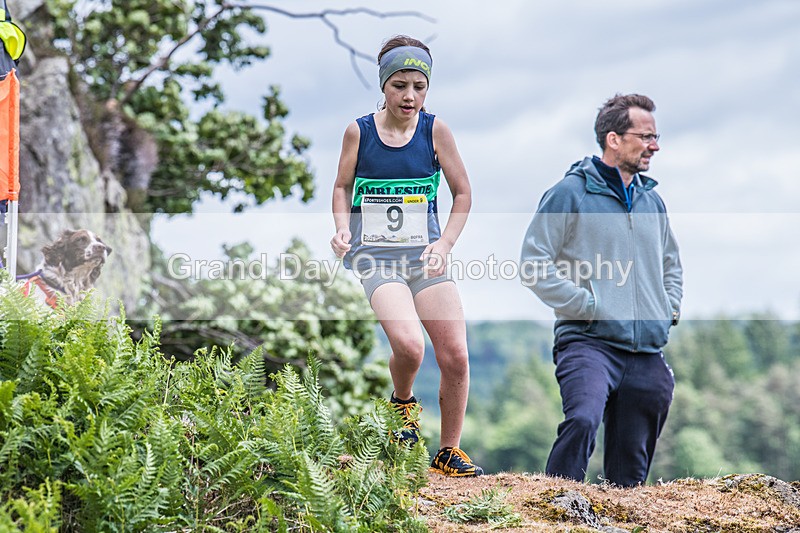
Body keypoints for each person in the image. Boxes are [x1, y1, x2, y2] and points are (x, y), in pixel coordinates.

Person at [330, 35, 483, 477]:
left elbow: (464, 192)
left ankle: (448, 451)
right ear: (384, 85)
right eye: (400, 85)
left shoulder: (436, 131)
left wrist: (445, 244)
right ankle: (403, 404)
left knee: (455, 354)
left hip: (425, 258)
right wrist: (342, 228)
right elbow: (341, 186)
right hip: (375, 259)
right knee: (410, 347)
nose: (410, 95)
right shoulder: (358, 132)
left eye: (419, 85)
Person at [520, 94, 683, 487]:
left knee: (629, 475)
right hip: (588, 341)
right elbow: (533, 263)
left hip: (645, 350)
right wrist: (586, 305)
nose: (654, 146)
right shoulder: (570, 193)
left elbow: (671, 264)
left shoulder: (652, 201)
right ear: (614, 139)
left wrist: (668, 309)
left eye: (655, 137)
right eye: (646, 136)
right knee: (582, 419)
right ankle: (554, 507)